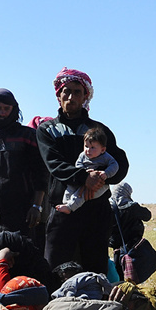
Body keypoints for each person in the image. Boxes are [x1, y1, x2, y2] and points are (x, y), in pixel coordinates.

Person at [37, 68, 129, 275]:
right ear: (58, 95)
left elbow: (121, 163)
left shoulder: (100, 130)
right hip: (63, 208)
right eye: (66, 91)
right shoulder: (47, 130)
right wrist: (84, 178)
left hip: (96, 210)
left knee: (95, 270)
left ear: (85, 96)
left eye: (77, 92)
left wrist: (100, 179)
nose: (71, 97)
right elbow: (54, 163)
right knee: (56, 269)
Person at [0, 88, 47, 239]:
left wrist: (36, 206)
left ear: (13, 109)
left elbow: (40, 172)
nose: (2, 113)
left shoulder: (27, 135)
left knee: (20, 251)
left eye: (6, 109)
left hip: (22, 210)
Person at [54, 127, 119, 215]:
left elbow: (115, 165)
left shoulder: (106, 157)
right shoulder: (83, 155)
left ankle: (70, 207)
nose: (88, 150)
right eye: (86, 146)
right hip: (83, 180)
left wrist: (106, 173)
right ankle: (66, 202)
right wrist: (85, 173)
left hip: (99, 185)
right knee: (71, 185)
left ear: (102, 150)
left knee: (81, 194)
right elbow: (78, 165)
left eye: (92, 147)